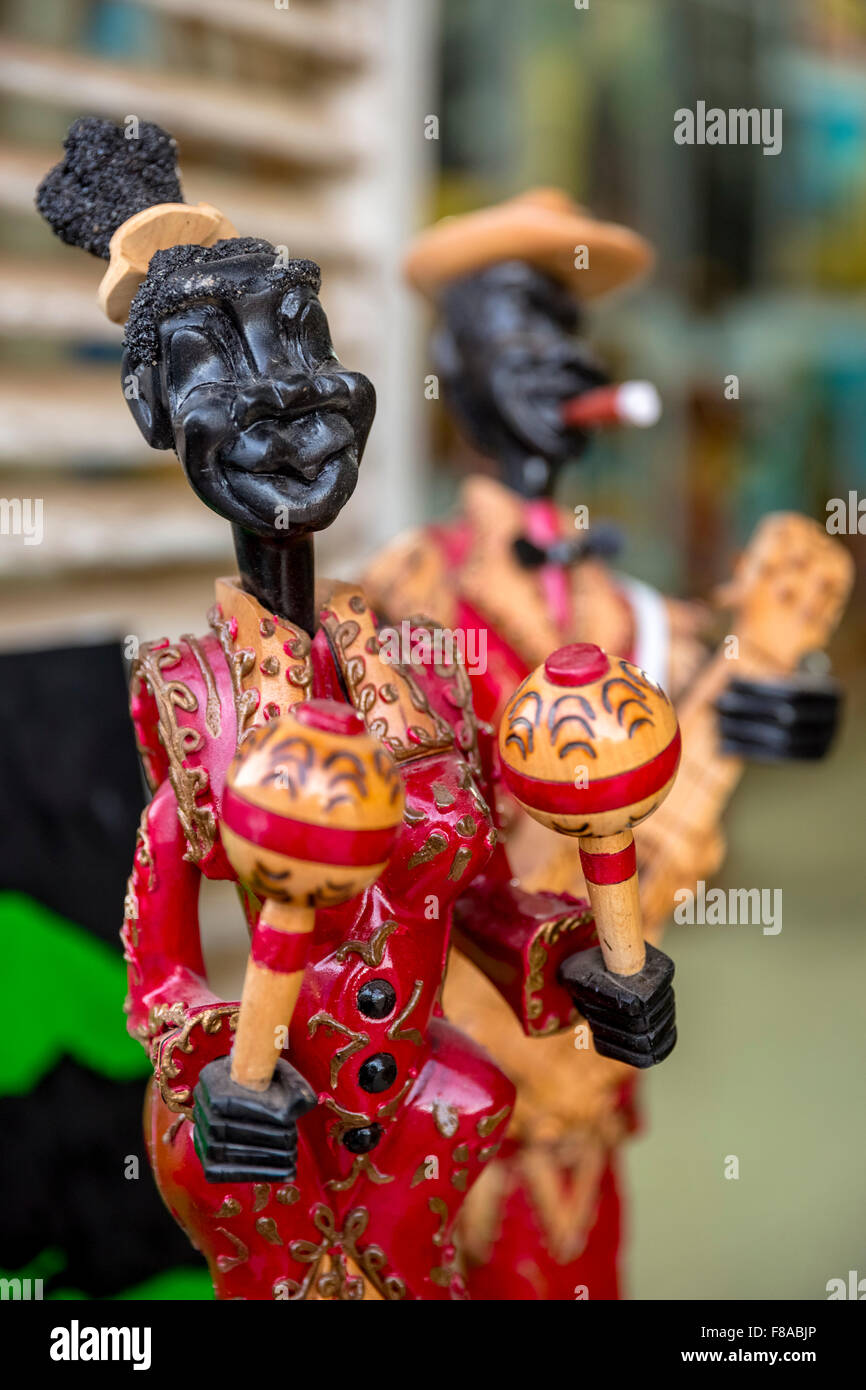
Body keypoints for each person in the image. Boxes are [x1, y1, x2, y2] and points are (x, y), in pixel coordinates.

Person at [36, 124, 678, 1300]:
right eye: (213, 361)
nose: (282, 390)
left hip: (436, 1123)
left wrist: (582, 958)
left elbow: (476, 884)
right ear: (149, 407)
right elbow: (158, 943)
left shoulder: (417, 660)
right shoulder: (190, 692)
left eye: (299, 335)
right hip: (271, 1149)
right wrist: (211, 1072)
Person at [363, 188, 850, 1299]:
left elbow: (681, 761)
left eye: (563, 332)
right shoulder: (411, 589)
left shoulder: (624, 604)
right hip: (459, 1058)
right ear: (458, 367)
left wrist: (771, 686)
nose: (554, 359)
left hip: (591, 1061)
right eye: (514, 333)